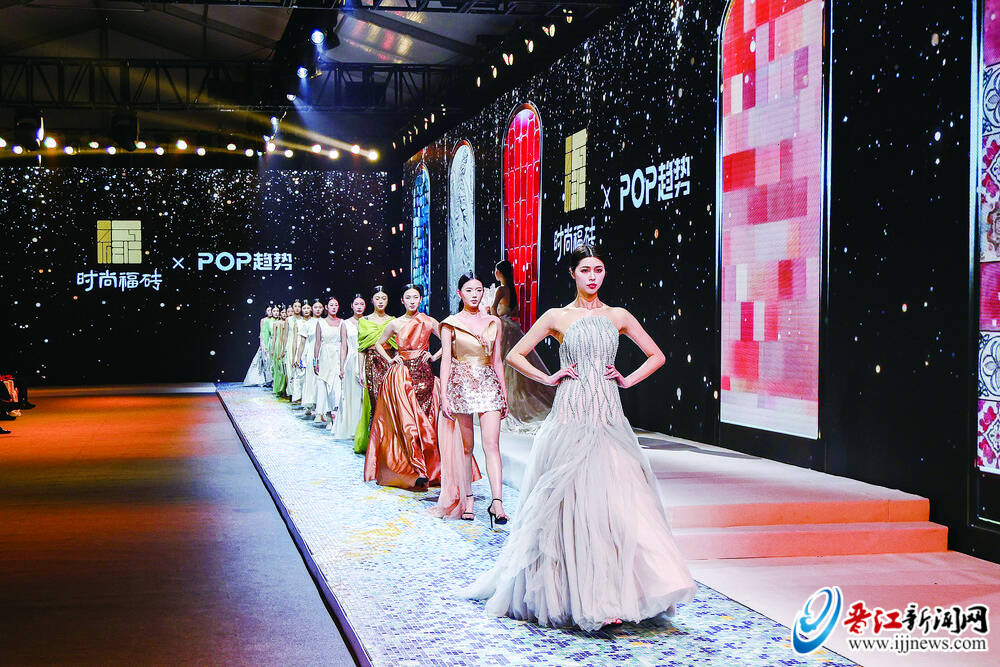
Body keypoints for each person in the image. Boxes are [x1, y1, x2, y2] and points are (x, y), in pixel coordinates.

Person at [463, 245, 696, 631]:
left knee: (617, 501)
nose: (592, 277)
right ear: (573, 273)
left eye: (598, 269)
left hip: (608, 414)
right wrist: (548, 377)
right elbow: (515, 354)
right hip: (570, 413)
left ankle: (619, 593)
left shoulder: (618, 315)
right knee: (568, 501)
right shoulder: (557, 316)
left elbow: (656, 355)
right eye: (585, 270)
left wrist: (627, 379)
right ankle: (576, 595)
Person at [433, 274, 508, 523]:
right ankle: (468, 499)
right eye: (469, 290)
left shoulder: (494, 322)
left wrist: (504, 393)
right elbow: (445, 361)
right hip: (462, 385)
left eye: (478, 290)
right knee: (466, 447)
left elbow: (497, 360)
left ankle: (497, 503)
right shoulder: (450, 323)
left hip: (489, 385)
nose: (474, 295)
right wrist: (444, 396)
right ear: (459, 294)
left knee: (492, 445)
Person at [363, 285, 442, 490]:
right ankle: (414, 470)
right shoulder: (395, 323)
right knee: (408, 424)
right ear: (402, 300)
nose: (412, 301)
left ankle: (427, 468)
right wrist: (391, 359)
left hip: (424, 375)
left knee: (425, 421)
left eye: (416, 297)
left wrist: (434, 356)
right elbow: (379, 344)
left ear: (421, 299)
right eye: (408, 297)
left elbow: (449, 340)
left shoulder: (428, 321)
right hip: (402, 376)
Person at [489, 260, 555, 433]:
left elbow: (494, 309)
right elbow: (515, 311)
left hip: (503, 328)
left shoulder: (501, 289)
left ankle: (506, 403)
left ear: (499, 272)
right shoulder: (512, 289)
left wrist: (494, 317)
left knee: (502, 363)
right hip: (513, 328)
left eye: (496, 270)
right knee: (514, 367)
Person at [353, 287, 397, 454]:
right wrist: (360, 371)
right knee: (375, 402)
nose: (380, 301)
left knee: (389, 402)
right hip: (372, 363)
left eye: (383, 298)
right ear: (372, 301)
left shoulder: (393, 321)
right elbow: (362, 348)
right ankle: (375, 444)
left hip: (390, 363)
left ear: (387, 300)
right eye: (377, 298)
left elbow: (397, 347)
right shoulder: (364, 321)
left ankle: (389, 443)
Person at [332, 294, 365, 439]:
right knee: (351, 394)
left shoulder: (369, 321)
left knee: (364, 395)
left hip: (366, 359)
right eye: (356, 304)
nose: (359, 307)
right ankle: (352, 427)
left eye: (362, 304)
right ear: (352, 306)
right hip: (351, 360)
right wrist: (341, 366)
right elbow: (343, 346)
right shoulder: (345, 323)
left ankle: (364, 428)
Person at [313, 297, 342, 426]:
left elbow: (344, 343)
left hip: (338, 355)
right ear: (326, 307)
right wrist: (315, 362)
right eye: (331, 305)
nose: (334, 307)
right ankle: (327, 414)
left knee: (337, 386)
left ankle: (337, 415)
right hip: (325, 356)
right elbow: (317, 343)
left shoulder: (342, 322)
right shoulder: (321, 323)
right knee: (324, 384)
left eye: (336, 305)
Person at [297, 300, 323, 416]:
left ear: (323, 309)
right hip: (311, 354)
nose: (318, 309)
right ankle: (309, 403)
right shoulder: (307, 324)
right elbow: (302, 343)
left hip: (323, 353)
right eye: (315, 307)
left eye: (320, 307)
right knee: (311, 379)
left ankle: (320, 404)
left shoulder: (325, 322)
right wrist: (298, 358)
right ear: (312, 308)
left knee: (320, 380)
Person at [243, 306, 273, 387]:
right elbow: (262, 332)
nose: (270, 312)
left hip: (273, 342)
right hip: (265, 342)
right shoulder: (263, 320)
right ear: (266, 312)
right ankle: (266, 380)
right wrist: (261, 343)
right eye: (268, 310)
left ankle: (272, 380)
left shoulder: (275, 320)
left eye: (271, 310)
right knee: (265, 360)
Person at [271, 306, 288, 398]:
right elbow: (274, 337)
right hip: (278, 345)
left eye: (285, 312)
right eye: (282, 313)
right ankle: (279, 388)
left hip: (287, 344)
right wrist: (273, 349)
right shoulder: (276, 323)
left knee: (286, 368)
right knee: (279, 367)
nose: (284, 314)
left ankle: (286, 389)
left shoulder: (289, 322)